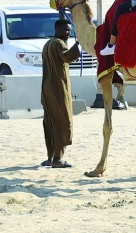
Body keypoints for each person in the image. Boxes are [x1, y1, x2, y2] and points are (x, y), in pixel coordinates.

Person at [40, 19, 82, 169]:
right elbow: (66, 56)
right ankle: (57, 158)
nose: (68, 32)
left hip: (47, 90)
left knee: (50, 122)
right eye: (66, 30)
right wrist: (79, 45)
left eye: (69, 30)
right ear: (57, 30)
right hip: (57, 89)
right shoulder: (59, 43)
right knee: (62, 122)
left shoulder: (47, 44)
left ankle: (50, 157)